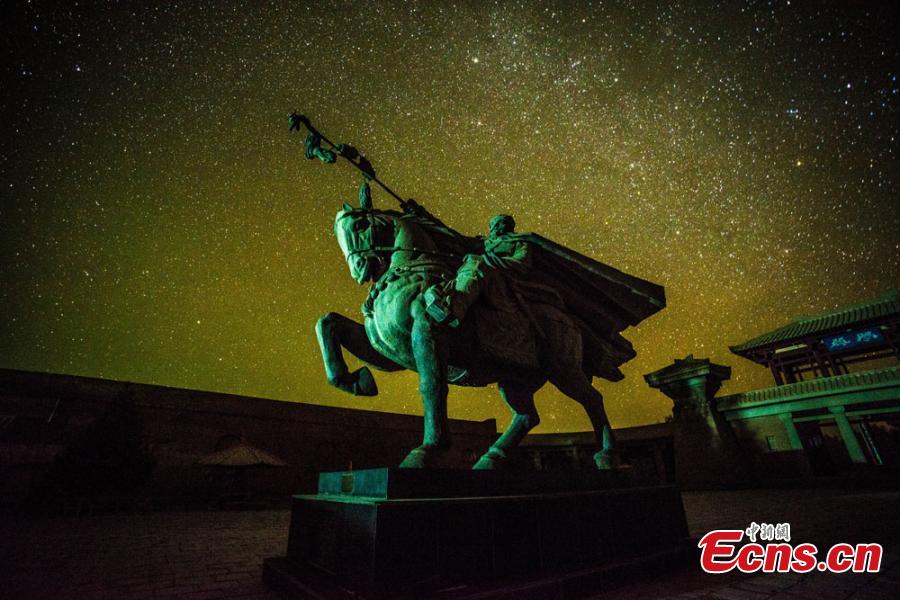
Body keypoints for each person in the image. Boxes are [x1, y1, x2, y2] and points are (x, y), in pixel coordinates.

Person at [425, 214, 531, 327]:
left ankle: (454, 309)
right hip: (477, 273)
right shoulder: (483, 242)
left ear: (510, 226)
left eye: (501, 223)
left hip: (502, 281)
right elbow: (452, 236)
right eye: (494, 224)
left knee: (479, 262)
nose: (496, 226)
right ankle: (443, 295)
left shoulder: (519, 242)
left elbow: (522, 263)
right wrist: (425, 216)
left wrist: (489, 260)